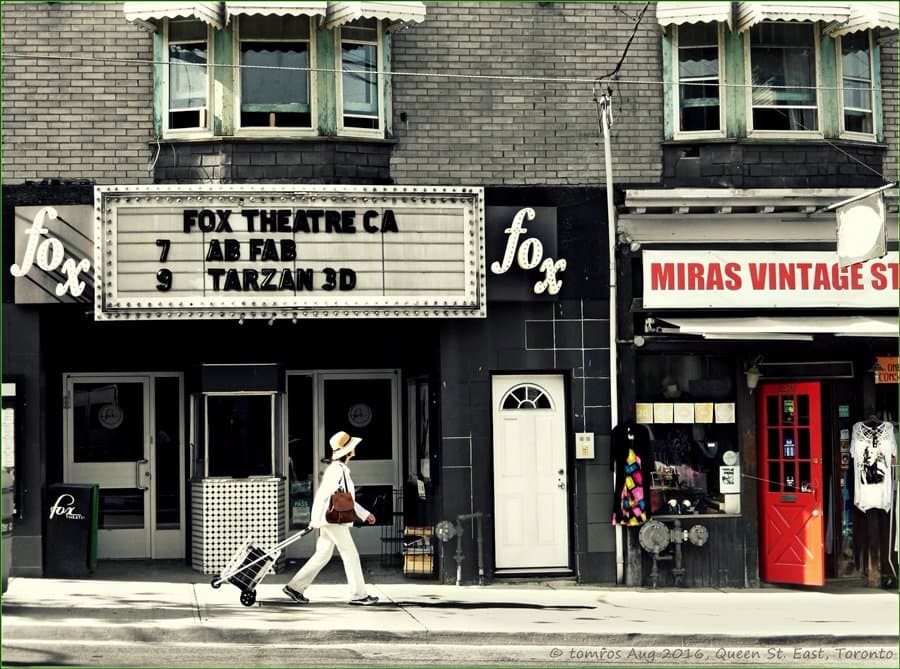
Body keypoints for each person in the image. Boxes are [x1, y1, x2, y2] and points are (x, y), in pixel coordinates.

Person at [283, 430, 379, 606]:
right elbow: (323, 495)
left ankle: (295, 587)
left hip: (330, 520)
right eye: (352, 447)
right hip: (333, 520)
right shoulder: (337, 470)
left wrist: (365, 514)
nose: (355, 450)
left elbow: (346, 499)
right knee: (350, 554)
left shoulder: (340, 469)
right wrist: (314, 520)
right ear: (348, 451)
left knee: (323, 554)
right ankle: (359, 595)